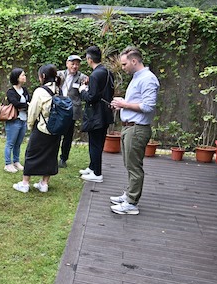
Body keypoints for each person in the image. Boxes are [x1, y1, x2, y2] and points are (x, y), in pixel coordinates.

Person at [109, 46, 160, 215]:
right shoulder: (138, 77)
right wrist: (122, 102)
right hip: (129, 127)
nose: (122, 68)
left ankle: (131, 203)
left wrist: (124, 104)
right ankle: (129, 195)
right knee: (129, 164)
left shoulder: (148, 79)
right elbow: (137, 102)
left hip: (137, 129)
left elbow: (148, 106)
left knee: (134, 167)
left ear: (134, 61)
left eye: (124, 64)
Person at [12, 64, 62, 194]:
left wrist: (30, 125)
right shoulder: (58, 89)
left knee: (31, 153)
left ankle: (25, 183)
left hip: (42, 128)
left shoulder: (40, 91)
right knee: (51, 155)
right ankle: (44, 183)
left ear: (43, 76)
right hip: (56, 128)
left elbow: (33, 111)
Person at [78, 46, 114, 183]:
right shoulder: (107, 72)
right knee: (97, 142)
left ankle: (97, 173)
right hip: (105, 113)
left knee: (95, 144)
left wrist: (82, 90)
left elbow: (91, 97)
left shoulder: (94, 75)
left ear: (89, 59)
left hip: (96, 115)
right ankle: (92, 167)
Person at [57, 55, 88, 168]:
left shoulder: (82, 77)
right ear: (67, 63)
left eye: (77, 64)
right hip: (59, 108)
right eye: (72, 63)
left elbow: (85, 90)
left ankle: (63, 158)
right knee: (55, 133)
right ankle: (52, 156)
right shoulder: (59, 74)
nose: (75, 66)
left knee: (68, 136)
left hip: (72, 110)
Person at [3, 68, 31, 173]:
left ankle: (16, 161)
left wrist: (25, 106)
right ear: (16, 77)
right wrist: (26, 105)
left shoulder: (25, 90)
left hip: (23, 120)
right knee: (10, 143)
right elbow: (16, 104)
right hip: (14, 120)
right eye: (22, 75)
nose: (24, 77)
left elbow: (30, 102)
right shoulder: (11, 91)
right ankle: (7, 163)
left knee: (18, 143)